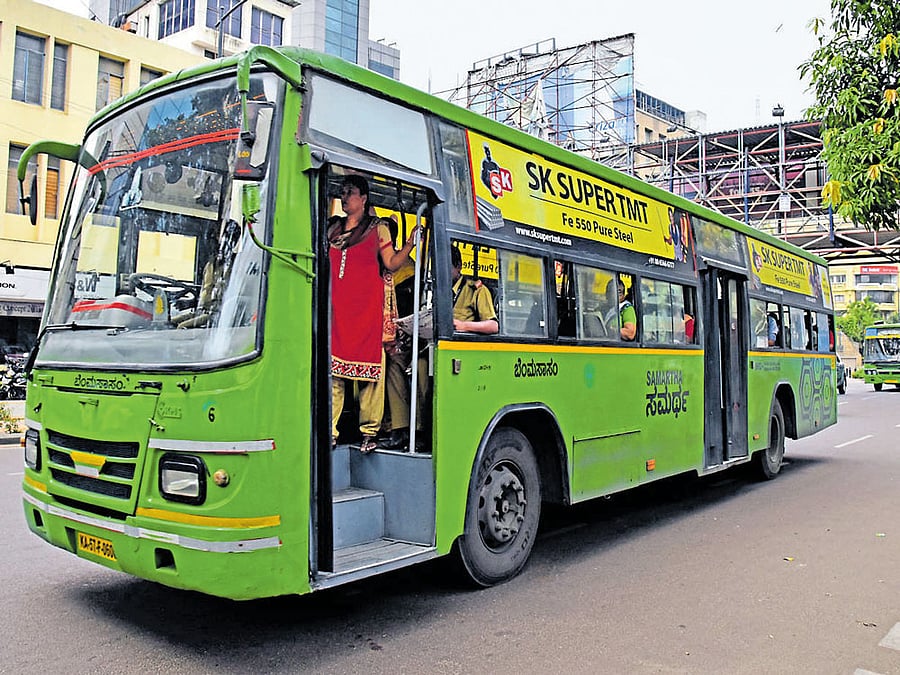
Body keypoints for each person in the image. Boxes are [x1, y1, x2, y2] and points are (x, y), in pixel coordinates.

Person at [328, 174, 417, 453]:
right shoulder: (331, 228)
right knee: (334, 377)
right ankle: (328, 432)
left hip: (367, 312)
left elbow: (390, 263)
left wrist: (411, 244)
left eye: (350, 192)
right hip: (337, 312)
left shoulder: (378, 229)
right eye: (342, 192)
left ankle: (370, 432)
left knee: (370, 377)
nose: (344, 197)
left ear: (364, 198)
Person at [381, 244, 497, 450]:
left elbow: (493, 325)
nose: (438, 274)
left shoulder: (476, 290)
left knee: (421, 367)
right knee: (394, 361)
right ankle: (400, 428)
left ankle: (421, 430)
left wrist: (463, 325)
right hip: (428, 345)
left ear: (458, 267)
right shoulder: (433, 291)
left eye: (445, 268)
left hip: (455, 353)